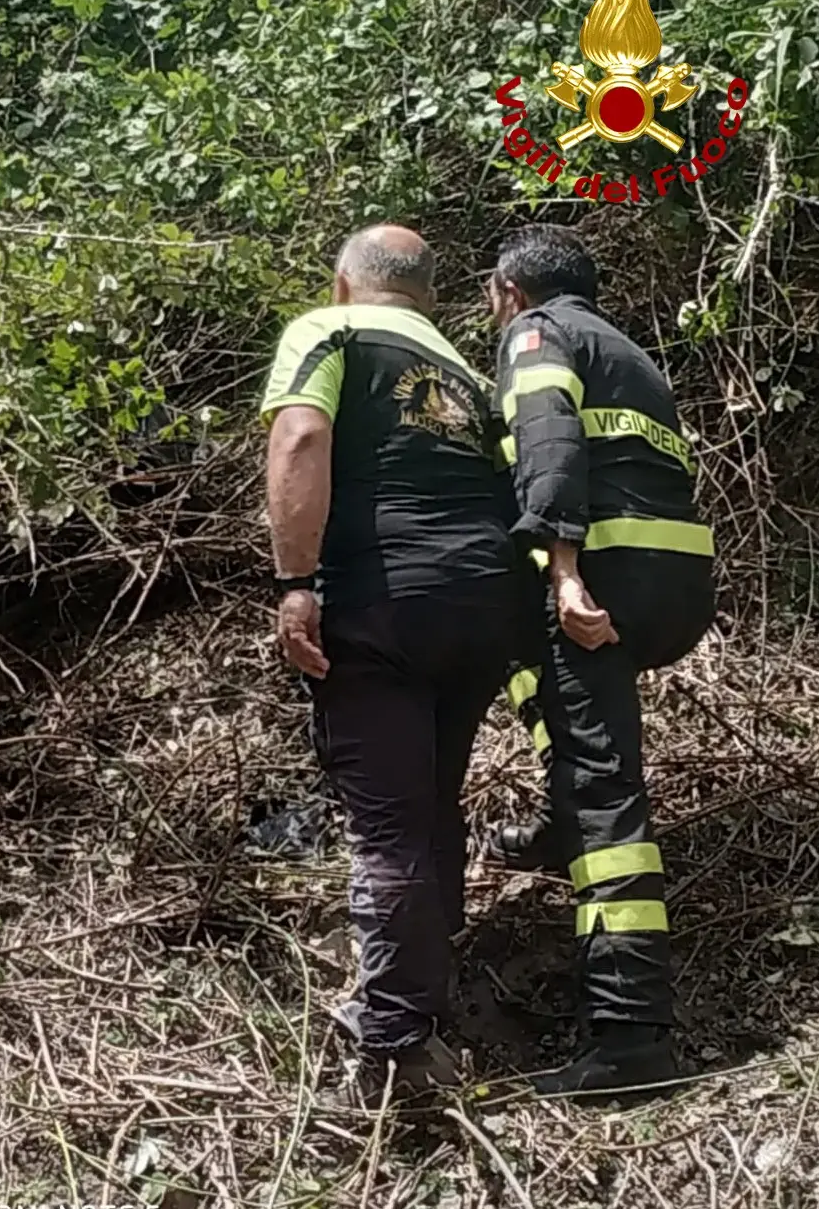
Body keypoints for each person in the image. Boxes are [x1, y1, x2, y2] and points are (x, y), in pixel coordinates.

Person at [260, 224, 524, 1105]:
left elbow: (300, 439)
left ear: (343, 281)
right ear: (428, 295)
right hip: (486, 604)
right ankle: (427, 974)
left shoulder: (327, 331)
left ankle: (396, 1043)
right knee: (430, 799)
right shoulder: (466, 372)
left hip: (381, 600)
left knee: (386, 825)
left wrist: (296, 581)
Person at [485, 223, 715, 1097]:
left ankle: (630, 1039)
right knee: (529, 671)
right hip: (675, 587)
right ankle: (556, 824)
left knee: (606, 796)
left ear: (510, 290)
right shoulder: (629, 351)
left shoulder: (535, 333)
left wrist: (562, 568)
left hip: (604, 577)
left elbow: (548, 440)